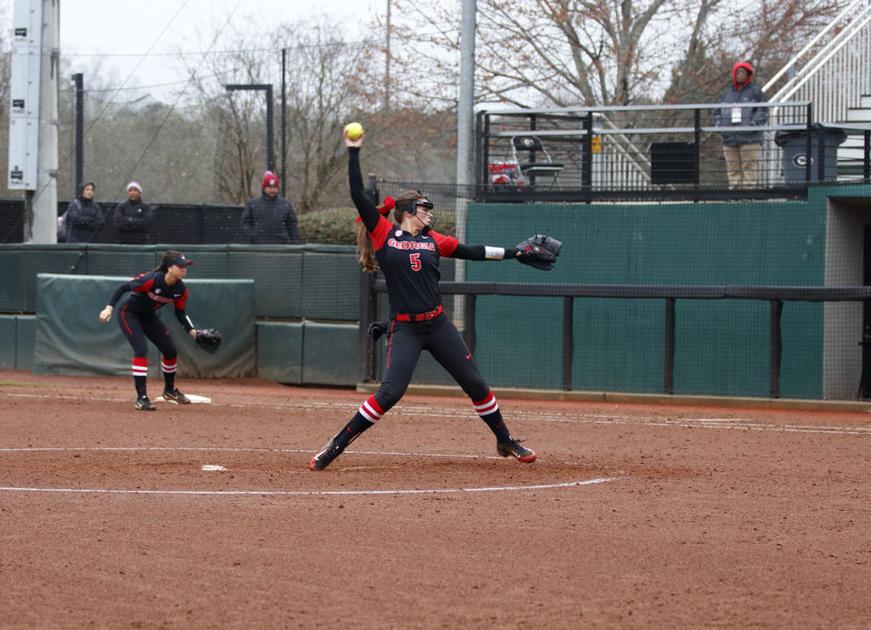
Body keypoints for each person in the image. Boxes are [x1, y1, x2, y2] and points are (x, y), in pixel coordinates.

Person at [308, 128, 543, 471]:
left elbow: (474, 251)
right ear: (407, 211)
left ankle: (505, 440)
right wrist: (354, 151)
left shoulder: (435, 241)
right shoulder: (384, 234)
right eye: (424, 208)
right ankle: (336, 445)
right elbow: (357, 193)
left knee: (476, 384)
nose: (430, 212)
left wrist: (515, 253)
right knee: (390, 393)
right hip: (405, 329)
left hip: (437, 325)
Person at [98, 250, 200, 411]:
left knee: (170, 351)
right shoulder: (151, 281)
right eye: (181, 266)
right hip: (129, 313)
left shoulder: (180, 289)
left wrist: (192, 331)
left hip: (148, 316)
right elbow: (123, 288)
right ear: (170, 268)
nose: (184, 269)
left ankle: (169, 391)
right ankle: (142, 398)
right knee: (141, 350)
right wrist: (109, 308)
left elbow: (180, 313)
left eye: (186, 266)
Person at [714, 61, 768, 189]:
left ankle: (748, 195)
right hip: (729, 138)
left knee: (749, 167)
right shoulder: (726, 93)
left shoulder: (756, 92)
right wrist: (720, 127)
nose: (740, 75)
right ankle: (734, 194)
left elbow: (762, 111)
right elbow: (717, 111)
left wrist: (752, 125)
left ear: (748, 74)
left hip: (750, 138)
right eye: (738, 72)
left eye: (743, 72)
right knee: (732, 168)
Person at [240, 170, 301, 244]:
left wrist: (296, 244)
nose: (273, 190)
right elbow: (245, 224)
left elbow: (292, 226)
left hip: (280, 246)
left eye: (275, 187)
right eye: (270, 187)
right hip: (258, 247)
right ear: (264, 188)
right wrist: (254, 236)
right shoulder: (253, 204)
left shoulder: (286, 204)